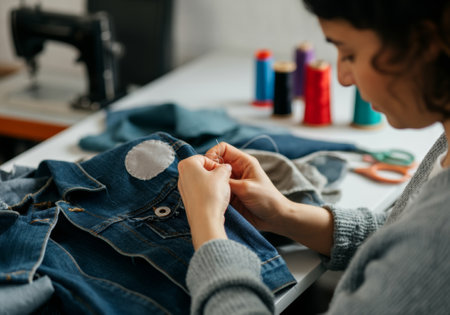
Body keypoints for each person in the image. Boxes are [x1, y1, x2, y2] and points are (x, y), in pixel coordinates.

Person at [177, 0, 450, 314]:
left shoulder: (439, 237)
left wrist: (208, 229)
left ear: (425, 44)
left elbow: (424, 249)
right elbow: (401, 237)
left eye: (350, 54)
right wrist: (284, 214)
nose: (344, 78)